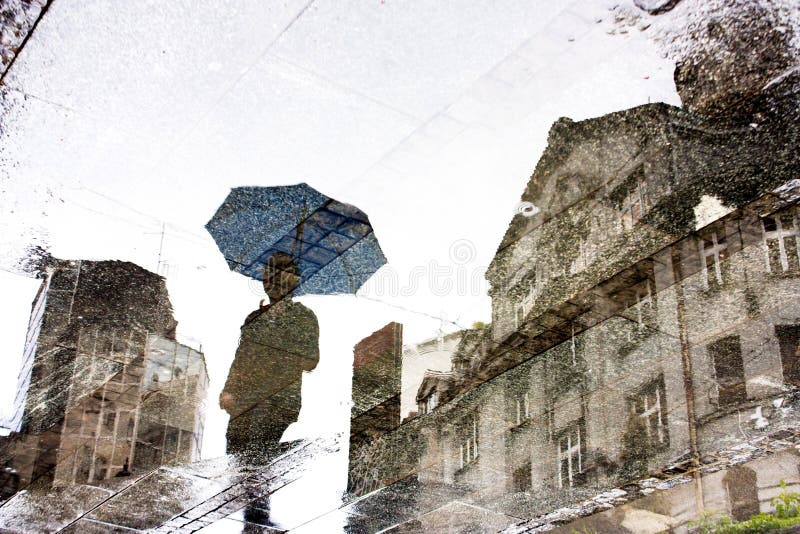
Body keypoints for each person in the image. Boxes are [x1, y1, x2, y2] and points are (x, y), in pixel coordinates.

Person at [220, 252, 319, 459]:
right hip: (245, 399)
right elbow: (241, 357)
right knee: (235, 454)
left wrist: (281, 328)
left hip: (279, 399)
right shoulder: (254, 317)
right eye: (269, 274)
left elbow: (311, 360)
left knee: (258, 457)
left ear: (295, 281)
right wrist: (229, 389)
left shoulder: (303, 317)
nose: (274, 281)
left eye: (283, 275)